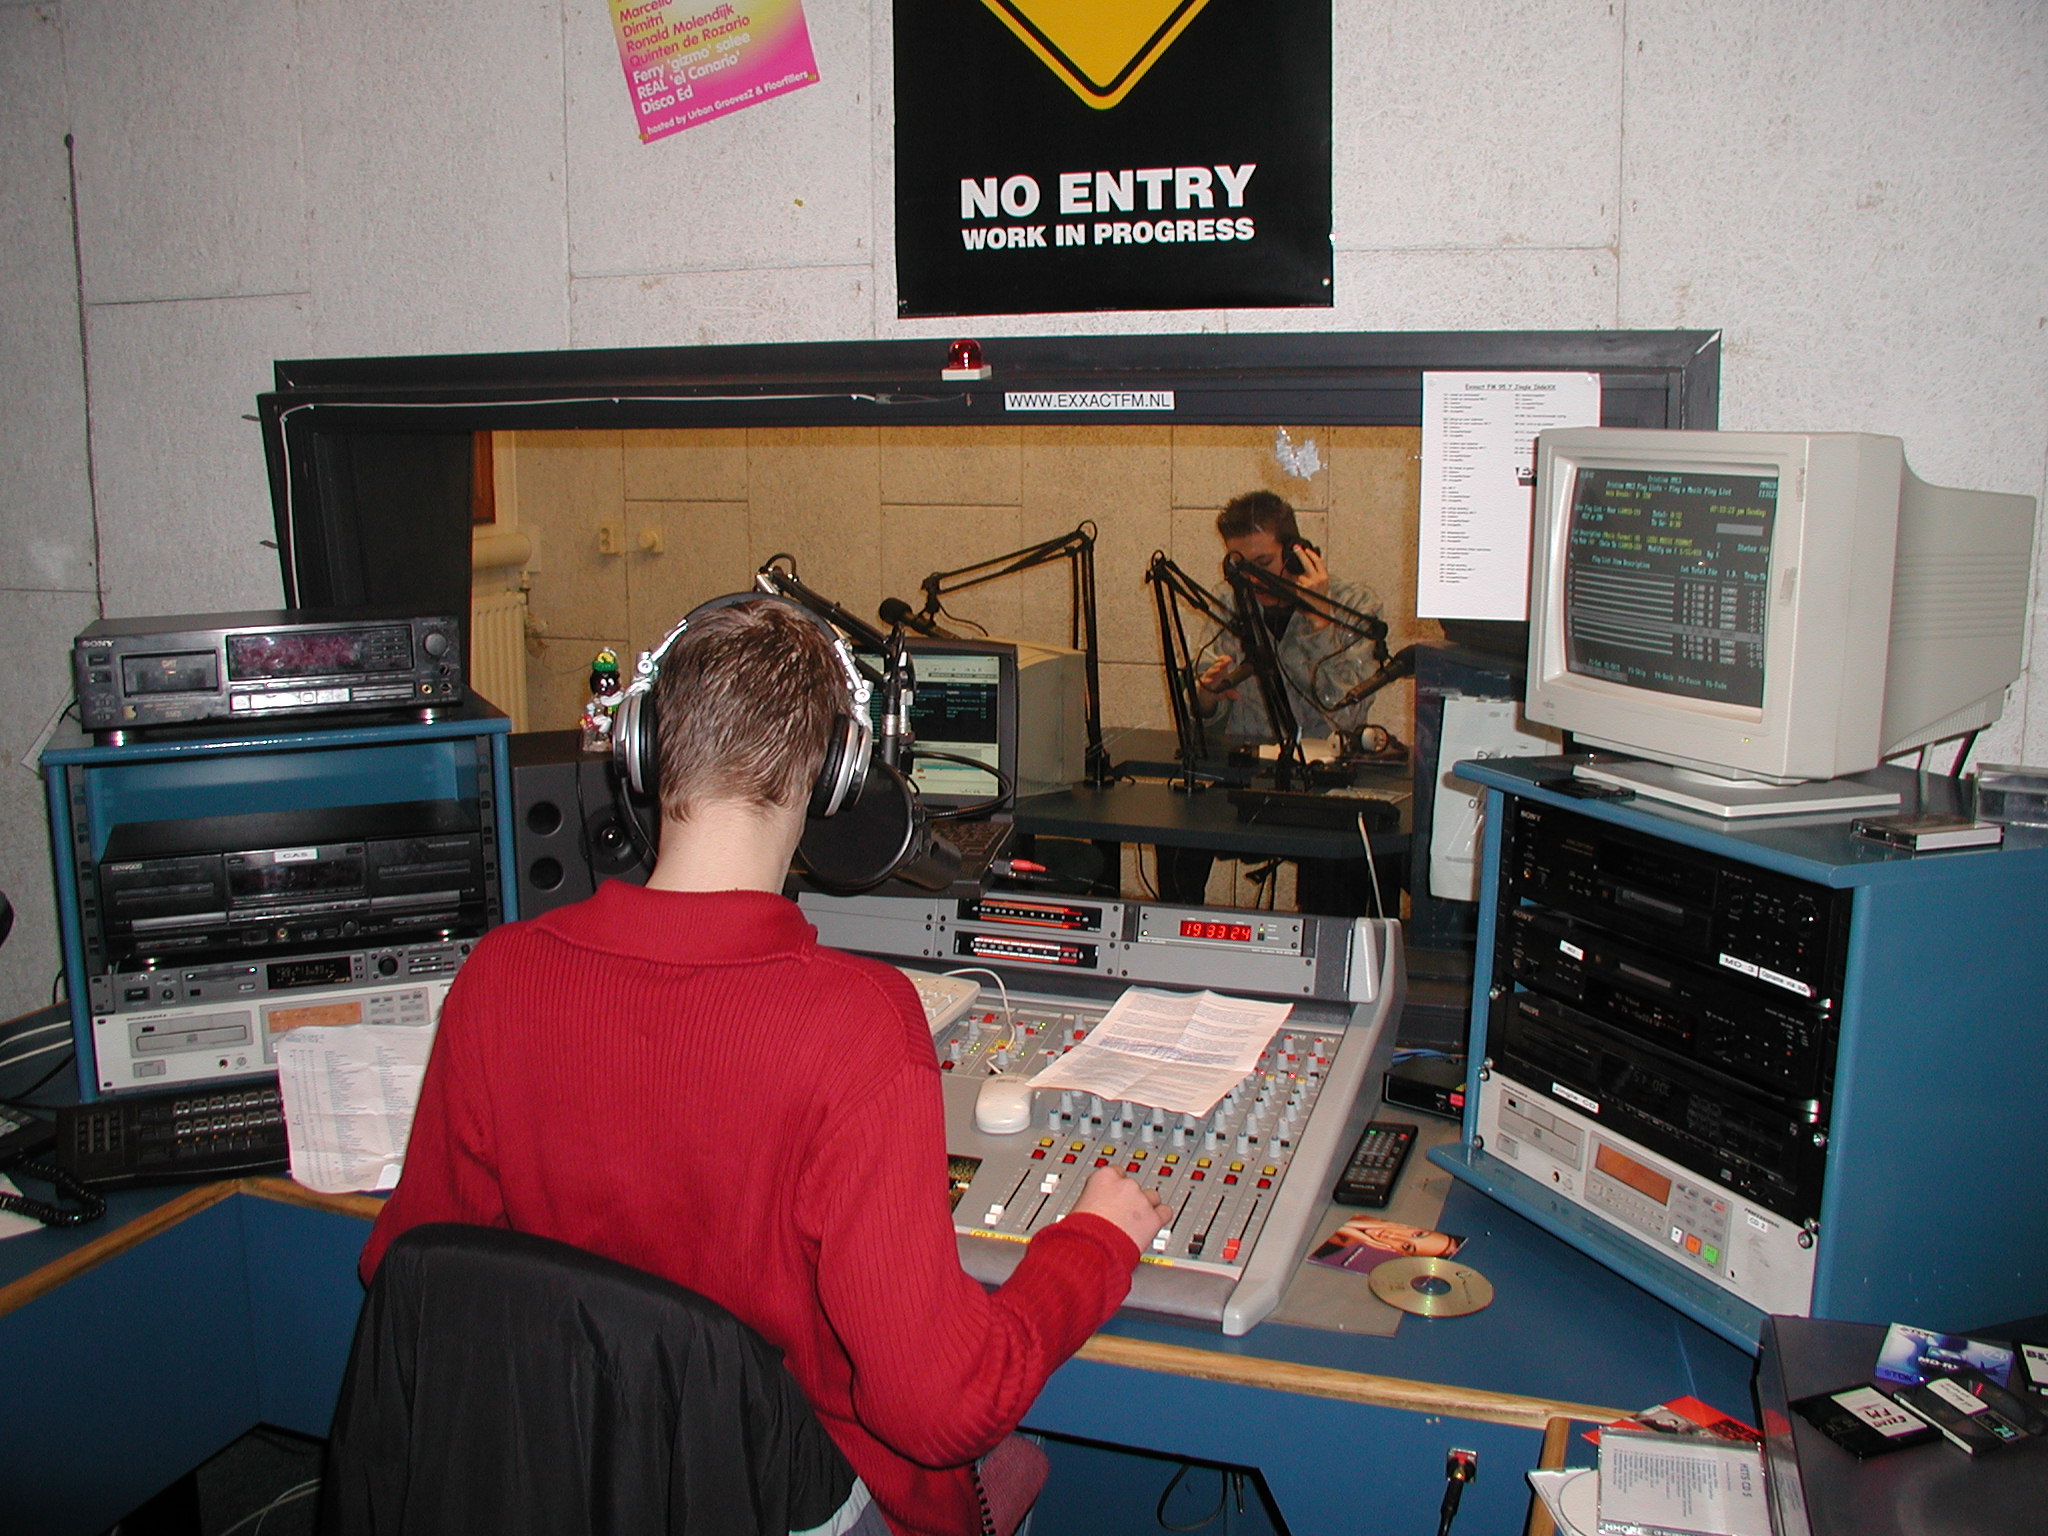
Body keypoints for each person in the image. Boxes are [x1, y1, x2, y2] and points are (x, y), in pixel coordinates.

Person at [360, 597, 1170, 1536]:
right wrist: (1092, 1245)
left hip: (568, 1484)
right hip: (784, 1500)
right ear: (838, 774)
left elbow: (410, 1269)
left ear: (642, 749)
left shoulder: (499, 977)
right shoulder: (858, 1025)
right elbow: (941, 1409)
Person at [1157, 491, 1391, 914]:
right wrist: (1207, 695)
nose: (1251, 579)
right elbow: (1204, 718)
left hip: (1321, 782)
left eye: (1262, 564)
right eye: (1239, 565)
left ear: (1298, 554)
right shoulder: (1228, 602)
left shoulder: (1355, 606)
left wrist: (1318, 621)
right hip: (1246, 776)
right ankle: (1174, 941)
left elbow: (1347, 712)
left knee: (1339, 862)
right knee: (1176, 827)